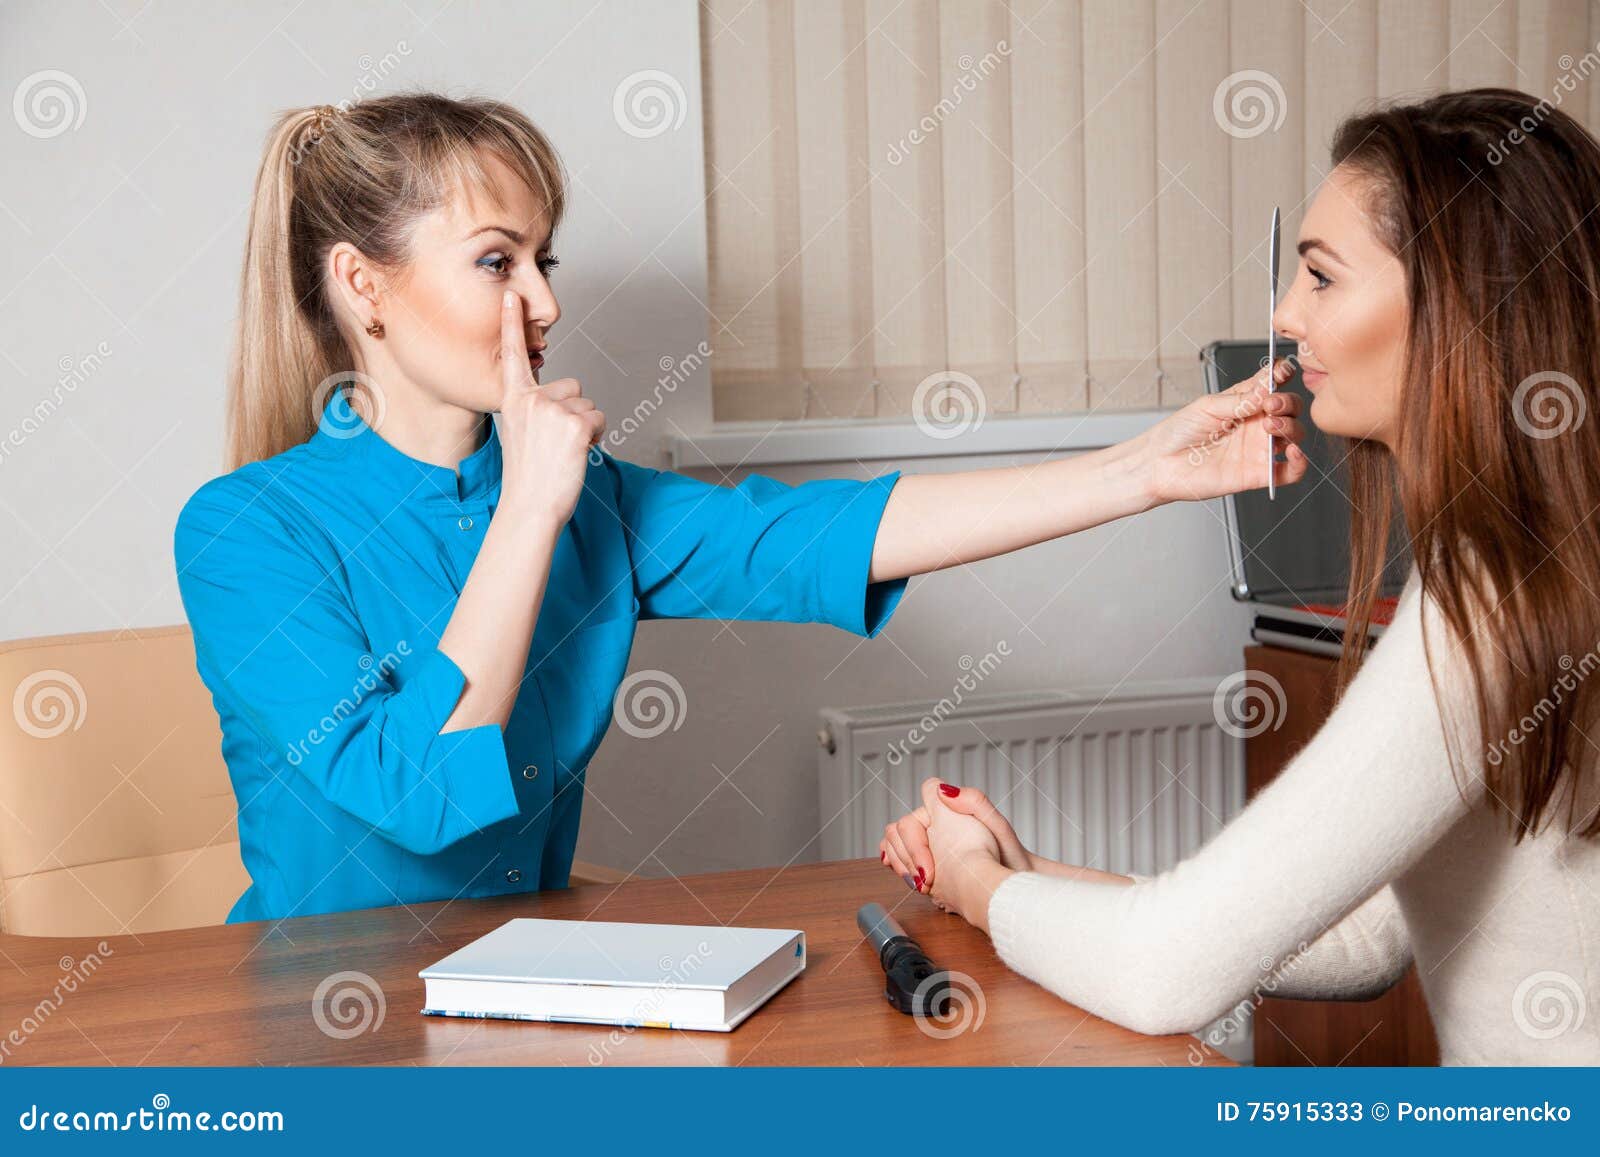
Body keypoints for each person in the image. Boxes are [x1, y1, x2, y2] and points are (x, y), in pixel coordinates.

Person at [174, 92, 1303, 925]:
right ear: (362, 285)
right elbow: (415, 789)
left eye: (543, 258)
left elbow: (824, 532)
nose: (545, 301)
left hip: (519, 991)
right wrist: (528, 512)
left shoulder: (585, 502)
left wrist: (1143, 467)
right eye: (495, 261)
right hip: (318, 1028)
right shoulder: (241, 532)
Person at [881, 88, 1600, 1066]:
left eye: (1319, 276)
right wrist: (1021, 874)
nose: (1283, 315)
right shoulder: (1548, 568)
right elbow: (1365, 937)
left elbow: (1162, 973)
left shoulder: (1488, 597)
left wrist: (975, 886)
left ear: (1460, 302)